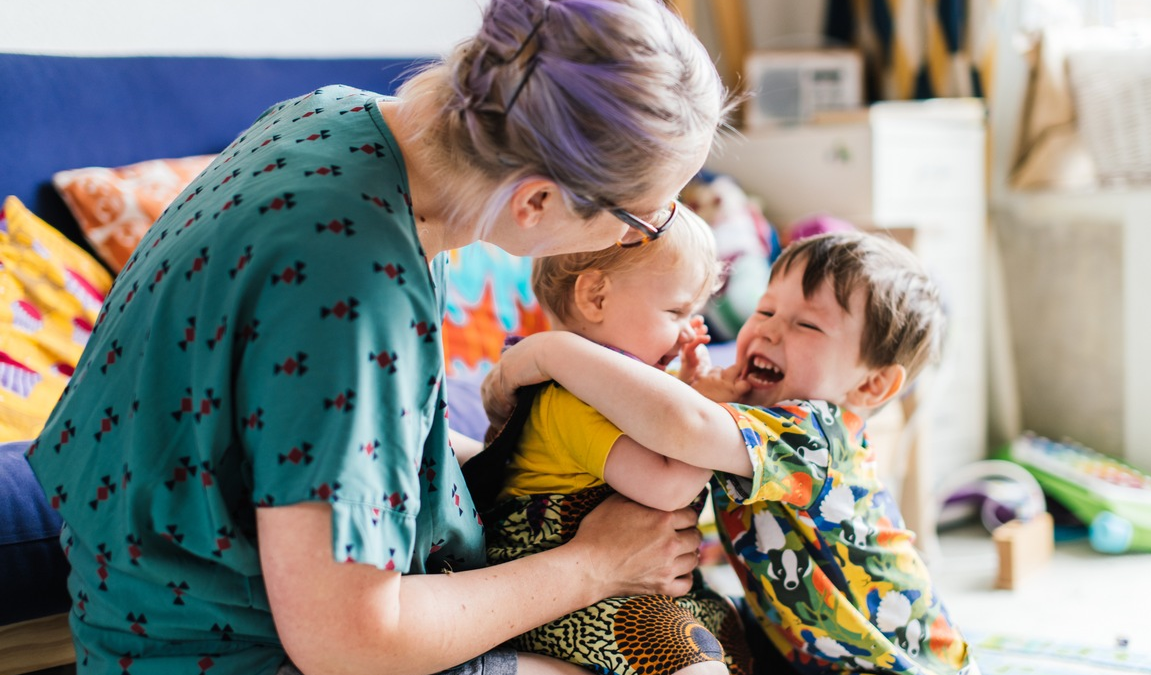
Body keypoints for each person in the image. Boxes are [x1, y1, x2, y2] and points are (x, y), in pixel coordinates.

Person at [25, 1, 732, 674]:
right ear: (537, 200)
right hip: (229, 648)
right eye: (642, 222)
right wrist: (593, 564)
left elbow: (319, 443)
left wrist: (521, 451)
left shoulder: (335, 118)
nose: (639, 235)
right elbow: (351, 643)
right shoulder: (356, 290)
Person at [483, 231, 979, 675]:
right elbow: (666, 424)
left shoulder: (815, 436)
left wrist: (552, 352)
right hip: (806, 649)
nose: (766, 331)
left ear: (871, 384)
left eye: (806, 325)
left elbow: (686, 426)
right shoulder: (755, 421)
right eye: (764, 310)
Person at [464, 206, 749, 675]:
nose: (688, 335)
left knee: (728, 629)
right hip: (566, 605)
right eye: (676, 311)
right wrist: (708, 412)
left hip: (630, 587)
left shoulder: (619, 394)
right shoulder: (570, 400)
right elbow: (668, 486)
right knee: (695, 664)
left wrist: (684, 397)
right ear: (595, 296)